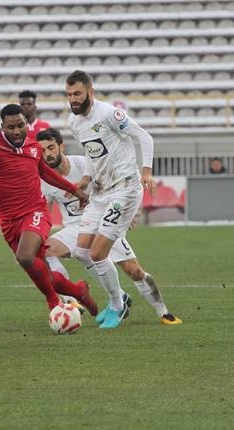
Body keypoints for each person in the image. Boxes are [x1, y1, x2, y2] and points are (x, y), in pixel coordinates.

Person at [0, 103, 98, 318]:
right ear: (2, 126)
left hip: (36, 212)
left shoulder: (33, 146)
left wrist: (76, 191)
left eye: (20, 125)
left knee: (25, 257)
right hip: (9, 220)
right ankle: (78, 290)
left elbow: (47, 174)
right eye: (10, 127)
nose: (16, 131)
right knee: (43, 272)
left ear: (26, 123)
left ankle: (54, 303)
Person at [38, 127, 182, 325]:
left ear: (61, 146)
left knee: (134, 271)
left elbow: (117, 186)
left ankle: (163, 312)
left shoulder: (83, 164)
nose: (47, 154)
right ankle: (76, 300)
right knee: (45, 251)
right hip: (75, 227)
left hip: (104, 221)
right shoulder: (44, 180)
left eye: (51, 148)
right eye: (42, 151)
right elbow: (44, 210)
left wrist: (127, 212)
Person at [65, 70, 158, 329]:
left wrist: (147, 171)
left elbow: (144, 137)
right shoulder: (74, 123)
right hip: (101, 191)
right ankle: (119, 299)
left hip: (125, 188)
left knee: (97, 252)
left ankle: (116, 306)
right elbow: (93, 155)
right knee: (81, 251)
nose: (73, 99)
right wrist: (85, 179)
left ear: (90, 92)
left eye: (77, 94)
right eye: (69, 94)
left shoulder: (108, 114)